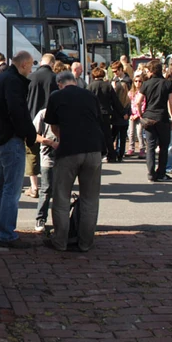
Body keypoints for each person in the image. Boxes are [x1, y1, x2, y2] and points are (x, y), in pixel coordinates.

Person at [44, 71, 105, 252]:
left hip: (69, 150)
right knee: (90, 198)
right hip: (94, 149)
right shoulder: (90, 95)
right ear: (75, 81)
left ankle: (60, 240)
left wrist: (62, 137)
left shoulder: (57, 96)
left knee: (61, 197)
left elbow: (53, 125)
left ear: (59, 83)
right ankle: (86, 242)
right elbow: (98, 121)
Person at [0, 51, 37, 248]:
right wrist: (29, 134)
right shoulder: (13, 81)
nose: (32, 69)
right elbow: (18, 111)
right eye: (31, 65)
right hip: (9, 138)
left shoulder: (1, 79)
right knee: (11, 188)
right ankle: (6, 233)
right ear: (23, 65)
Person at [135, 60, 172, 182]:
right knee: (164, 147)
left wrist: (141, 115)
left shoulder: (146, 84)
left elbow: (138, 101)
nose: (147, 73)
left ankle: (150, 173)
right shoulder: (168, 84)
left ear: (152, 71)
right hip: (162, 117)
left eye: (148, 71)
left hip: (148, 117)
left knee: (150, 147)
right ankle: (161, 173)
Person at [25, 54, 58, 197]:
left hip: (32, 117)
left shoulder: (31, 77)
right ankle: (49, 184)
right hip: (51, 120)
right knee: (50, 154)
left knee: (32, 153)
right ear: (53, 63)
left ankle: (34, 187)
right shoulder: (55, 78)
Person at [87, 66, 124, 163]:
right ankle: (111, 155)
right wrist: (122, 112)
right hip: (105, 113)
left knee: (94, 134)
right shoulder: (107, 86)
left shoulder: (90, 86)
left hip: (94, 114)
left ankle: (95, 153)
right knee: (107, 135)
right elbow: (115, 101)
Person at [32, 107, 59, 233]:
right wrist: (49, 142)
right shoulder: (43, 114)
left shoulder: (70, 110)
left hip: (66, 157)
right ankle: (40, 218)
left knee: (62, 191)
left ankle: (60, 221)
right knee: (46, 189)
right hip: (48, 156)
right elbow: (34, 134)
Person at [126, 71, 146, 159]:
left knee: (139, 132)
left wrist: (138, 114)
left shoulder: (143, 93)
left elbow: (143, 105)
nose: (138, 83)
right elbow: (128, 104)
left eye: (140, 81)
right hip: (132, 114)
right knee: (131, 132)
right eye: (136, 81)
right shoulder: (131, 93)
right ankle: (131, 148)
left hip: (140, 114)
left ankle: (142, 149)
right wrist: (130, 114)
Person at [111, 80, 131, 162]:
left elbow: (113, 109)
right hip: (124, 121)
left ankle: (111, 153)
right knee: (122, 139)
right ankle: (120, 155)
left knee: (113, 137)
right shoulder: (128, 100)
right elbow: (130, 110)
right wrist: (127, 115)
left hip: (116, 121)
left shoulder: (115, 100)